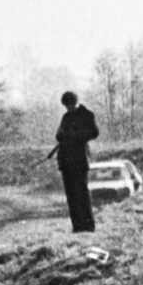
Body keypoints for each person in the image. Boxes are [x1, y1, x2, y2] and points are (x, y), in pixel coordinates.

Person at [52, 90, 99, 234]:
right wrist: (62, 135)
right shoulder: (66, 117)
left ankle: (88, 226)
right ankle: (77, 226)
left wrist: (75, 135)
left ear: (76, 102)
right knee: (71, 196)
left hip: (79, 160)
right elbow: (59, 136)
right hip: (66, 161)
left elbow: (94, 133)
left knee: (82, 195)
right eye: (66, 106)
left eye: (70, 105)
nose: (68, 108)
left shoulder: (87, 115)